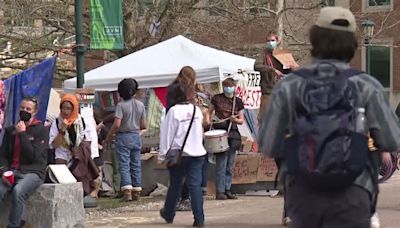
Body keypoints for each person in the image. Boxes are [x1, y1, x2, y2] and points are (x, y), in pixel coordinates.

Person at [258, 7, 400, 228]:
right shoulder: (366, 85)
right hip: (354, 194)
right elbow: (392, 140)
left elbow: (267, 144)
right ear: (352, 43)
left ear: (314, 38)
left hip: (305, 197)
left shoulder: (290, 85)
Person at [159, 83, 207, 227]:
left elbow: (167, 135)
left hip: (179, 154)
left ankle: (169, 213)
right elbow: (200, 132)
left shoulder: (173, 111)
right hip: (197, 153)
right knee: (195, 186)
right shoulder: (196, 110)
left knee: (175, 184)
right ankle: (199, 219)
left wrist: (162, 155)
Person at [0, 97, 49, 228]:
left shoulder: (41, 130)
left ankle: (13, 225)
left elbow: (34, 157)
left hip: (32, 172)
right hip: (12, 171)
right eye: (22, 108)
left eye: (28, 109)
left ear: (35, 112)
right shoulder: (10, 130)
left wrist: (22, 135)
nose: (24, 111)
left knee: (18, 191)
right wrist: (4, 171)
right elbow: (3, 155)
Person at [167, 66, 210, 211]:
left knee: (177, 172)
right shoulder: (187, 90)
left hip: (178, 133)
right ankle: (188, 200)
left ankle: (177, 200)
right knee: (192, 175)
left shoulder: (172, 89)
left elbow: (169, 113)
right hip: (191, 134)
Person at [103, 78, 147, 202]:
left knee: (124, 164)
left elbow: (117, 124)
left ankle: (127, 191)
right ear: (134, 91)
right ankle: (137, 190)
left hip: (123, 136)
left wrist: (109, 137)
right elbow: (144, 126)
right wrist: (138, 133)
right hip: (136, 136)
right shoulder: (140, 105)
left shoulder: (121, 106)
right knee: (136, 163)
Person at [209, 78, 244, 200]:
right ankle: (220, 191)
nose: (228, 88)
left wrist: (235, 120)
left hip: (233, 134)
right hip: (221, 133)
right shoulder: (216, 99)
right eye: (226, 86)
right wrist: (211, 121)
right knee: (221, 164)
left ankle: (227, 188)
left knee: (229, 164)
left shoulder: (238, 101)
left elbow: (241, 120)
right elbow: (209, 112)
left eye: (231, 86)